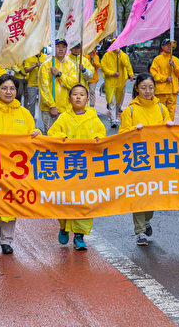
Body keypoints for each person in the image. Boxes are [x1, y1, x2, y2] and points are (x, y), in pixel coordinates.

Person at [0, 74, 39, 254]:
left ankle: (7, 241)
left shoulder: (25, 113)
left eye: (12, 88)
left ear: (17, 91)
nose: (8, 92)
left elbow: (32, 140)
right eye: (4, 88)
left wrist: (36, 134)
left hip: (17, 170)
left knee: (12, 204)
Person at [48, 84, 106, 250]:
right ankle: (64, 227)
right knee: (65, 201)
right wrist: (63, 138)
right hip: (66, 169)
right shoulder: (64, 118)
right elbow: (52, 135)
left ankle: (79, 236)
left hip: (86, 169)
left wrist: (97, 139)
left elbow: (102, 137)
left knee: (84, 202)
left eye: (82, 94)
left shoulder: (94, 119)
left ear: (87, 99)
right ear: (69, 99)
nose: (78, 97)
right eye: (75, 94)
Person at [119, 72, 174, 246]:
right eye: (144, 87)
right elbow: (121, 135)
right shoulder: (131, 110)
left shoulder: (161, 108)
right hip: (138, 158)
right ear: (136, 88)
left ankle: (147, 219)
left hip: (157, 158)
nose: (148, 91)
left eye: (151, 87)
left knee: (153, 194)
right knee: (139, 195)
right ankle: (140, 231)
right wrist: (133, 131)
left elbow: (169, 132)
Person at [38, 39, 78, 133]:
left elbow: (73, 84)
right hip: (49, 110)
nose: (60, 49)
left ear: (66, 49)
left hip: (66, 109)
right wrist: (52, 106)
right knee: (51, 136)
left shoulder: (71, 65)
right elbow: (44, 88)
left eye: (63, 47)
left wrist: (59, 74)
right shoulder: (46, 65)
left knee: (65, 136)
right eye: (58, 46)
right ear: (53, 48)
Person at [150, 38, 179, 121]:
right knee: (159, 111)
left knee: (171, 112)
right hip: (161, 90)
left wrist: (174, 66)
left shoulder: (175, 60)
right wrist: (165, 78)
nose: (169, 47)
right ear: (162, 46)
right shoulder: (157, 59)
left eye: (170, 45)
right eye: (167, 45)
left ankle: (169, 128)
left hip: (173, 90)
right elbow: (154, 74)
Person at [101, 45, 134, 128]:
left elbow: (127, 64)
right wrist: (112, 73)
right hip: (110, 82)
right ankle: (113, 119)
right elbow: (103, 68)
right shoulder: (106, 56)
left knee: (118, 102)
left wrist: (131, 74)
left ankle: (115, 117)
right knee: (112, 101)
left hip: (121, 82)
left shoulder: (123, 55)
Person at [22, 50, 45, 116]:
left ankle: (43, 119)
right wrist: (35, 66)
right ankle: (31, 119)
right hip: (31, 84)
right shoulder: (29, 57)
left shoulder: (45, 57)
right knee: (31, 103)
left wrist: (40, 75)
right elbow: (26, 70)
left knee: (43, 103)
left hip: (42, 85)